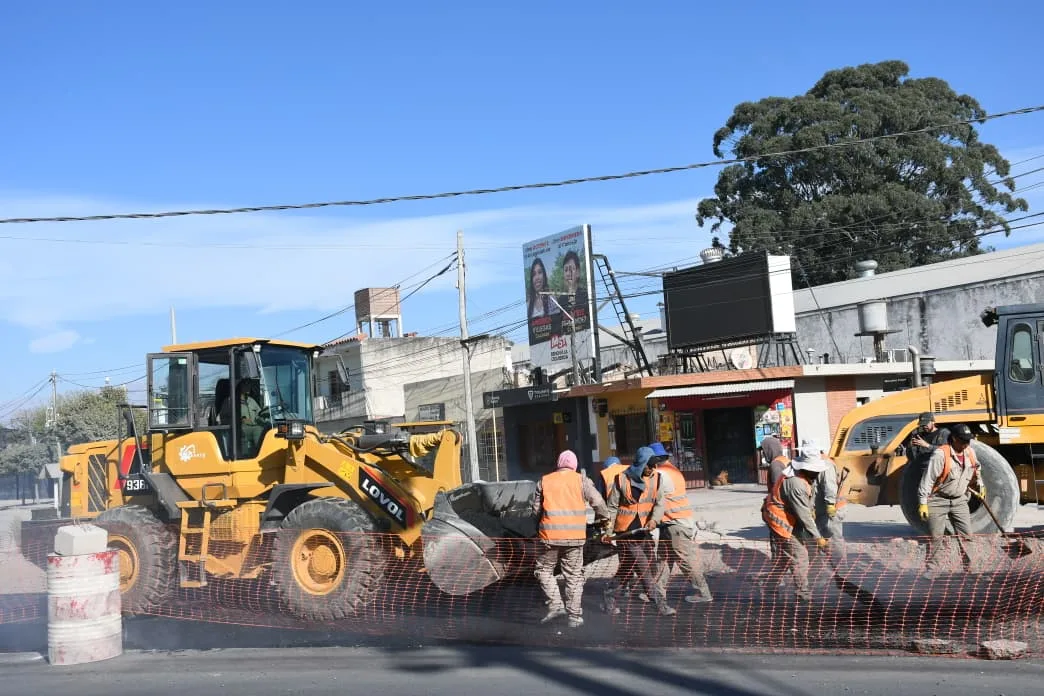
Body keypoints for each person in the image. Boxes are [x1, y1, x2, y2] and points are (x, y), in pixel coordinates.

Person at [531, 449, 610, 628]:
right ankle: (575, 617)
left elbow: (535, 510)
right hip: (575, 538)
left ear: (558, 464)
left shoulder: (545, 480)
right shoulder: (581, 480)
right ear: (574, 465)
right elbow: (598, 503)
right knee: (573, 576)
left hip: (549, 537)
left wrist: (537, 527)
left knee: (543, 571)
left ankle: (556, 606)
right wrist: (604, 521)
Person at [602, 446, 677, 616]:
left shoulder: (657, 479)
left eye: (654, 466)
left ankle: (609, 597)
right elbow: (612, 507)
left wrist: (654, 520)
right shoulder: (621, 479)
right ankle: (660, 605)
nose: (652, 469)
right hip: (626, 533)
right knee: (644, 568)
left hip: (643, 531)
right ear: (641, 464)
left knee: (628, 570)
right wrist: (608, 531)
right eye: (649, 466)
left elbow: (659, 503)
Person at [648, 442, 714, 604]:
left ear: (654, 459)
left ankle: (704, 593)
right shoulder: (673, 470)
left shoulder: (660, 475)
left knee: (685, 560)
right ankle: (657, 592)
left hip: (676, 524)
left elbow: (654, 499)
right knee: (663, 558)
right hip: (671, 523)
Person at [761, 453, 830, 602]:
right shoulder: (796, 484)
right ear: (807, 469)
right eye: (815, 470)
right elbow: (804, 515)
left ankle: (769, 587)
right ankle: (802, 594)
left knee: (786, 557)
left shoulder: (800, 476)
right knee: (800, 556)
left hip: (788, 516)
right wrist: (818, 538)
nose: (818, 473)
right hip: (780, 519)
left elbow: (806, 510)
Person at [917, 424, 984, 575]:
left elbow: (976, 468)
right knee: (936, 537)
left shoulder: (970, 452)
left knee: (967, 535)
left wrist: (980, 484)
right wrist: (923, 503)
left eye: (968, 440)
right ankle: (932, 571)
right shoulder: (940, 455)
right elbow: (928, 480)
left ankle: (972, 570)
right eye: (963, 440)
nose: (966, 444)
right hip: (938, 500)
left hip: (959, 500)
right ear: (953, 438)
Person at [795, 438, 843, 541]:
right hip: (820, 508)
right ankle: (825, 555)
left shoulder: (826, 465)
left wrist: (830, 504)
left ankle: (839, 557)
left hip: (832, 507)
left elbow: (829, 486)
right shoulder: (809, 465)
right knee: (820, 536)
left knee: (833, 537)